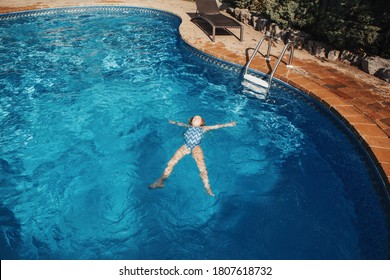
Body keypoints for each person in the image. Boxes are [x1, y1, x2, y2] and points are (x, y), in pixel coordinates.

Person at [149, 115, 236, 196]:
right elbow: (179, 123)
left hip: (196, 148)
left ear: (202, 123)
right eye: (194, 118)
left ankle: (207, 187)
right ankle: (160, 181)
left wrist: (229, 124)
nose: (196, 119)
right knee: (171, 162)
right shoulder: (188, 126)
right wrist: (172, 122)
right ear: (191, 121)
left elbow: (216, 126)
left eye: (198, 118)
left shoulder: (203, 128)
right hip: (185, 146)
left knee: (202, 167)